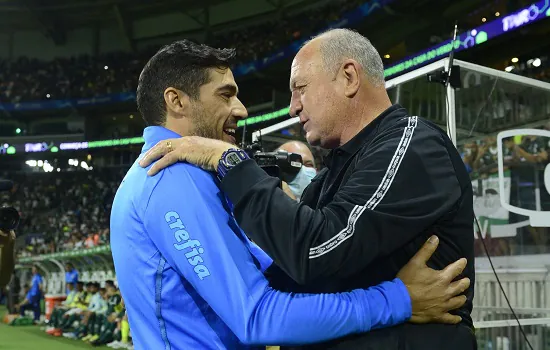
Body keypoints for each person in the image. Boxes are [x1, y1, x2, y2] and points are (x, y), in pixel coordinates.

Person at [111, 40, 470, 350]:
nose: (242, 109)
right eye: (226, 94)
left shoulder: (408, 145)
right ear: (176, 100)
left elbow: (284, 270)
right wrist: (397, 298)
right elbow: (258, 315)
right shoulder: (171, 176)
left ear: (348, 77)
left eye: (300, 88)